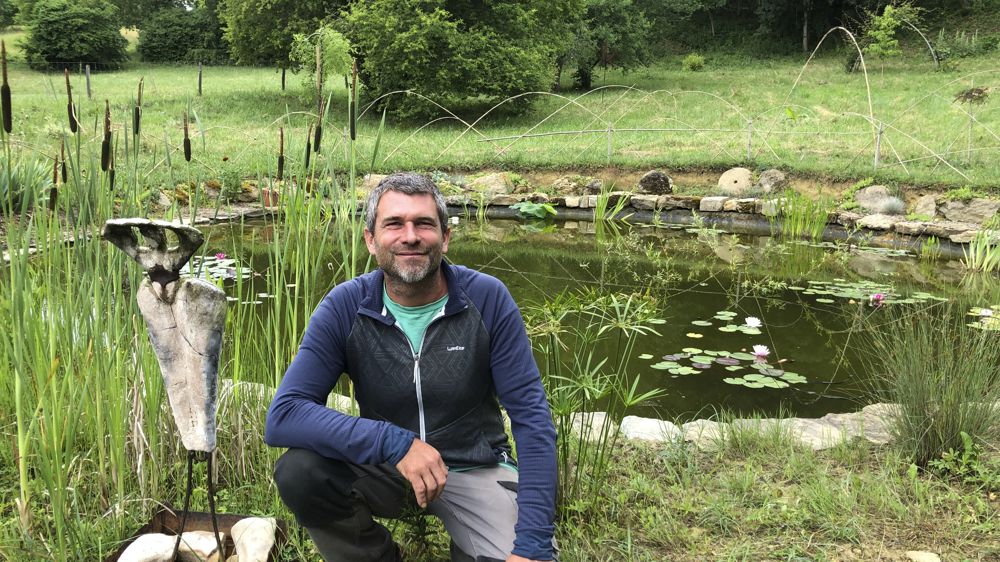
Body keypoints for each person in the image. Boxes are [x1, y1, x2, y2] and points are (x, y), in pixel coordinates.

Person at [265, 172, 558, 562]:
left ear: (445, 236)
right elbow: (284, 415)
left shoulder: (487, 299)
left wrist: (533, 545)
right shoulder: (345, 306)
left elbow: (532, 420)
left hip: (475, 467)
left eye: (424, 223)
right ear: (371, 240)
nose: (410, 236)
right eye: (394, 224)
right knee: (301, 472)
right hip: (385, 467)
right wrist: (395, 442)